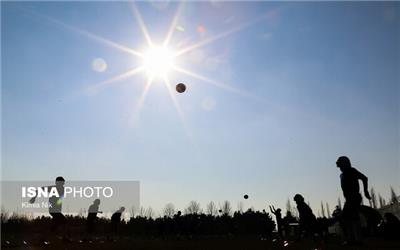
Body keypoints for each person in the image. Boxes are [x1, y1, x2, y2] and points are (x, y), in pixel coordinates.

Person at [336, 156, 371, 245]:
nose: (340, 168)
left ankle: (355, 239)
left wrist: (366, 191)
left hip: (354, 197)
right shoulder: (342, 175)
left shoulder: (352, 171)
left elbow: (364, 178)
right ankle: (354, 239)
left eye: (341, 165)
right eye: (339, 166)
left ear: (346, 164)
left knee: (349, 218)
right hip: (349, 199)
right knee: (350, 218)